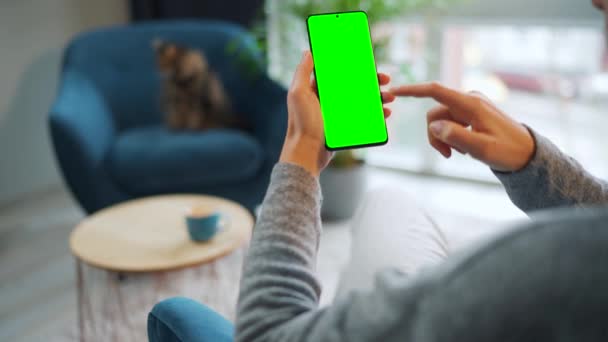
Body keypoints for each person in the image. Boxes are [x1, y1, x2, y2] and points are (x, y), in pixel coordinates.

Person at [234, 2, 608, 341]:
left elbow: (266, 332)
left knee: (177, 315)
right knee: (388, 201)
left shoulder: (557, 264)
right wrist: (533, 158)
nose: (594, 4)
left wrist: (301, 152)